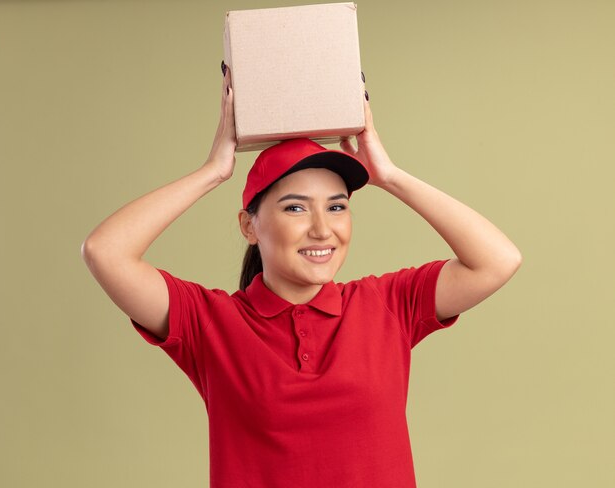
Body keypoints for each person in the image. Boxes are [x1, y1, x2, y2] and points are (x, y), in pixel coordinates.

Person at [81, 61, 522, 487]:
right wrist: (212, 172)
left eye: (337, 206)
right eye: (295, 207)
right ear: (249, 225)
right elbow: (106, 251)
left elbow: (498, 260)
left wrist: (389, 176)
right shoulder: (209, 322)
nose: (321, 228)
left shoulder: (388, 304)